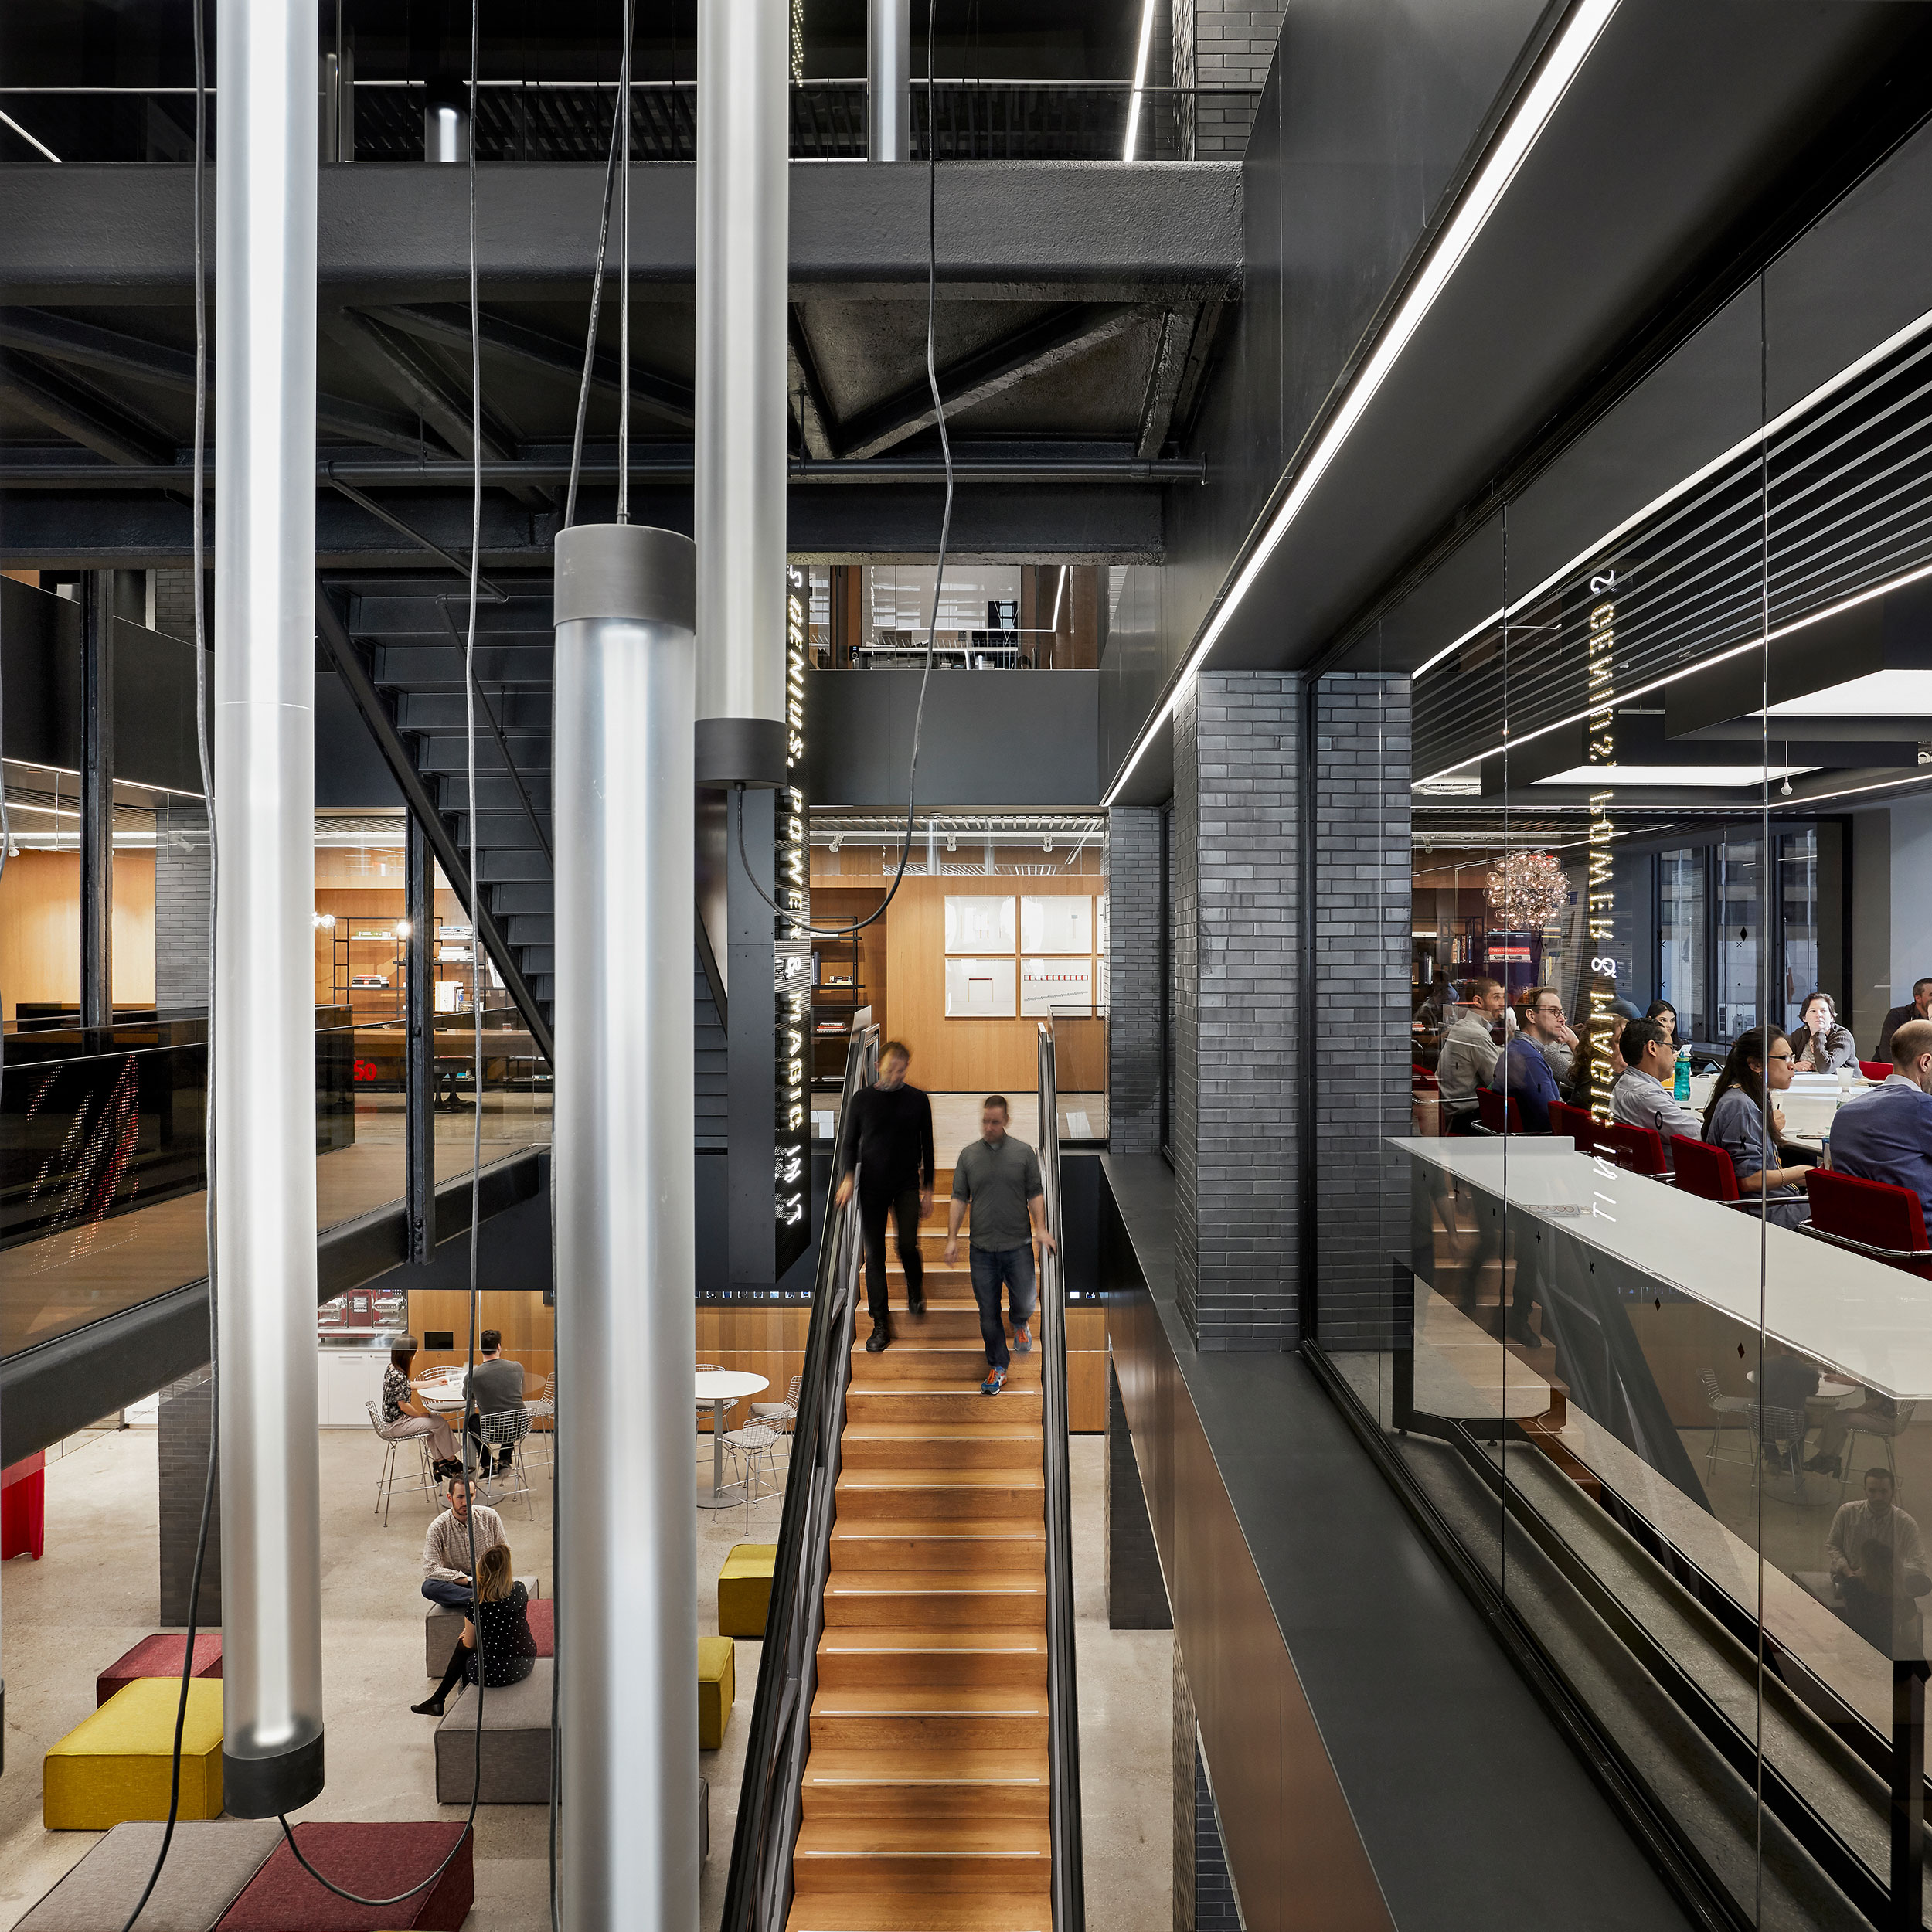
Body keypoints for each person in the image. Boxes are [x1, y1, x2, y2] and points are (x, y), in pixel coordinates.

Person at [945, 1095, 1056, 1398]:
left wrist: (1041, 1230)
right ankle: (998, 1366)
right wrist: (952, 1238)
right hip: (981, 1251)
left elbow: (1035, 1194)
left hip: (1017, 1247)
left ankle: (1020, 1321)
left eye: (995, 1121)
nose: (989, 1127)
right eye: (985, 1121)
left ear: (1006, 1121)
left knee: (1025, 1300)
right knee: (987, 1313)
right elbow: (958, 1199)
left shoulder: (1023, 1153)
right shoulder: (968, 1156)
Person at [833, 1039, 936, 1353]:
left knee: (906, 1244)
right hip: (873, 1187)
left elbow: (927, 1147)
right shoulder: (862, 1100)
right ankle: (880, 1324)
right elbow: (849, 1143)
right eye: (891, 1068)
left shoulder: (918, 1100)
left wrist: (928, 1189)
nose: (896, 1074)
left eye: (901, 1070)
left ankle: (915, 1289)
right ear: (878, 1066)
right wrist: (849, 1178)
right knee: (875, 1255)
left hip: (906, 1183)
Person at [1825, 1017, 1932, 1230]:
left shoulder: (1846, 1112)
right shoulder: (1922, 1108)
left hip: (1865, 1239)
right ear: (1925, 1062)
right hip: (1919, 1242)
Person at [1701, 1026, 1811, 1228]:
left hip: (1775, 1201)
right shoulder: (1740, 1105)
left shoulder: (1750, 1096)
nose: (1792, 1065)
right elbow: (1749, 1181)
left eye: (1792, 1057)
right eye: (1785, 1058)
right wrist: (1803, 1172)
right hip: (1765, 1212)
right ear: (1756, 1065)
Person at [411, 1543, 537, 1716]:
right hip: (526, 1660)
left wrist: (474, 1635)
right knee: (477, 1642)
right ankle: (437, 1700)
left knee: (464, 1649)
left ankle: (443, 1698)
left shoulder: (477, 1607)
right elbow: (506, 1623)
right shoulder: (520, 1590)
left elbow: (468, 1644)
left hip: (498, 1674)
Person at [1826, 1468, 1930, 1656]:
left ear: (1893, 1492)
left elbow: (1919, 1562)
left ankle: (1906, 1648)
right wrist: (1850, 1571)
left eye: (1884, 1492)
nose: (1878, 1497)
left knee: (1921, 1584)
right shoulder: (1847, 1512)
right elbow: (1833, 1545)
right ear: (1865, 1490)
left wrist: (1888, 1573)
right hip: (1851, 1576)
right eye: (1872, 1491)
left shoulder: (1905, 1523)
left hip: (1888, 1581)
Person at [1609, 1017, 1702, 1162]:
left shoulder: (1628, 1083)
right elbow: (1699, 1136)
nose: (1673, 1056)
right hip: (1682, 1176)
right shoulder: (1647, 1096)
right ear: (1652, 1048)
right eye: (1671, 1048)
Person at [1484, 985, 1564, 1133]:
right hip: (1540, 1148)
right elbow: (1553, 1121)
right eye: (1554, 1012)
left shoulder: (1518, 1049)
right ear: (1531, 1016)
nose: (1562, 1019)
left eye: (1561, 1012)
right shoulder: (1530, 1059)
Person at [380, 1336, 462, 1482]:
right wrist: (420, 1415)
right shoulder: (398, 1375)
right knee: (440, 1423)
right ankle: (453, 1462)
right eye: (414, 1350)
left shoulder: (392, 1368)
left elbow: (409, 1386)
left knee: (434, 1425)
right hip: (397, 1425)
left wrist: (434, 1382)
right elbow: (404, 1406)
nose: (417, 1352)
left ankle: (441, 1463)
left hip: (393, 1422)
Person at [420, 1475, 506, 1613]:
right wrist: (467, 1580)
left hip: (486, 1579)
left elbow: (504, 1552)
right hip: (458, 1583)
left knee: (513, 1586)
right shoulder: (438, 1527)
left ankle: (477, 1599)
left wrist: (491, 1577)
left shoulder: (490, 1516)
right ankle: (484, 1600)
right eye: (460, 1497)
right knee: (429, 1587)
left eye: (470, 1495)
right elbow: (430, 1569)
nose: (466, 1502)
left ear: (475, 1495)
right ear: (450, 1497)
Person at [1436, 978, 1505, 1134]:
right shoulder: (1477, 1035)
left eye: (1503, 997)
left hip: (1452, 1111)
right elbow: (1498, 1082)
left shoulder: (1463, 1026)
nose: (1503, 1003)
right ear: (1478, 1001)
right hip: (1466, 1118)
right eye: (1496, 998)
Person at [464, 1328, 527, 1477]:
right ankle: (505, 1460)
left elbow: (466, 1396)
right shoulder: (517, 1367)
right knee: (510, 1413)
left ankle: (488, 1464)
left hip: (492, 1431)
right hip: (520, 1426)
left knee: (472, 1421)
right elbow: (519, 1391)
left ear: (481, 1349)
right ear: (499, 1347)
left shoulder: (474, 1375)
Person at [1788, 991, 1858, 1074]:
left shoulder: (1842, 1037)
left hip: (1842, 1085)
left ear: (1832, 1017)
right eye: (1813, 1011)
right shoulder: (1800, 1034)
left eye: (1823, 1011)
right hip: (1808, 1083)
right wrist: (1795, 1065)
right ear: (1804, 1018)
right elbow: (1781, 1058)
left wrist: (1819, 1034)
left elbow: (1826, 1068)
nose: (1819, 1015)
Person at [1876, 978, 1932, 1062]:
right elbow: (1887, 1050)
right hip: (1895, 1070)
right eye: (1931, 995)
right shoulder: (1898, 1015)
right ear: (1918, 998)